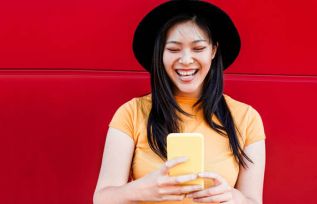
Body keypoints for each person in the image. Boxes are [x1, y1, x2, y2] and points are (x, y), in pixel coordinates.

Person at [93, 0, 266, 203]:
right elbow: (101, 198)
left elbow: (253, 201)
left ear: (213, 51)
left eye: (198, 48)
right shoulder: (131, 113)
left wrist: (231, 197)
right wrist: (142, 190)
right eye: (174, 49)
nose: (185, 59)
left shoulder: (246, 118)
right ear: (160, 54)